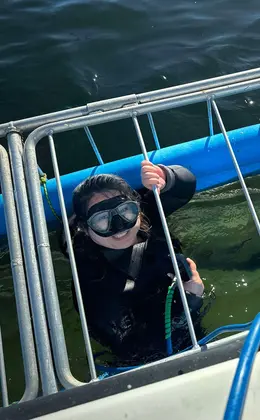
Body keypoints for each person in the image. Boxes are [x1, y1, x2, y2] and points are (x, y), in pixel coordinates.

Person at [61, 161, 205, 366]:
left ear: (137, 207)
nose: (119, 227)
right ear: (85, 227)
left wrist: (163, 176)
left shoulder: (146, 219)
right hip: (152, 355)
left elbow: (185, 185)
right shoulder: (92, 279)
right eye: (102, 221)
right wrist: (189, 303)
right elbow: (135, 350)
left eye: (126, 212)